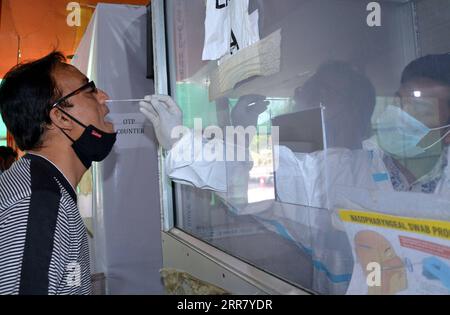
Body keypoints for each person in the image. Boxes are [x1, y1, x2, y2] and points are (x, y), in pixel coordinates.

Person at [140, 54, 450, 294]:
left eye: (421, 110)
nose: (401, 117)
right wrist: (183, 143)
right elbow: (257, 178)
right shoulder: (340, 170)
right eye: (400, 104)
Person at [0, 51, 116, 295]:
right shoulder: (41, 202)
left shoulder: (40, 188)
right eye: (90, 89)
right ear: (61, 117)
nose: (104, 98)